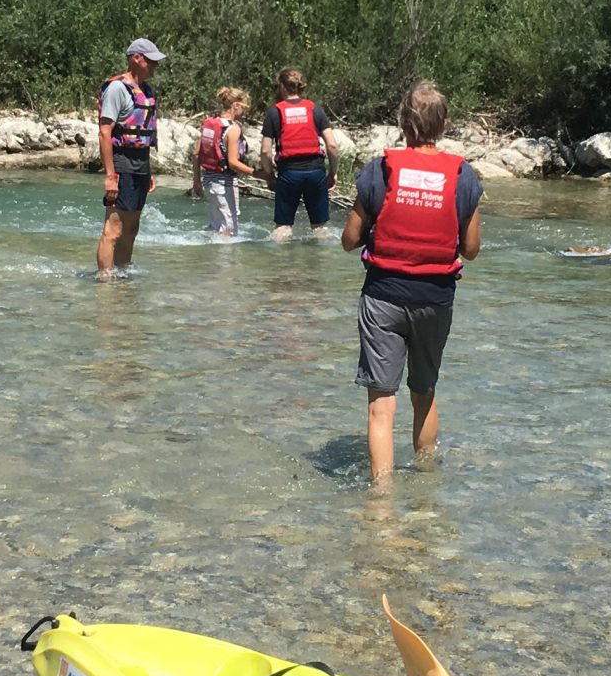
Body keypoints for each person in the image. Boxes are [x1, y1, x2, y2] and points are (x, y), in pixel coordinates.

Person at [342, 80, 482, 484]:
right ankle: (425, 489)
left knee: (381, 405)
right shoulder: (464, 177)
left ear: (403, 123)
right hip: (434, 300)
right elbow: (471, 249)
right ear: (445, 125)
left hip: (383, 297)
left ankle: (381, 497)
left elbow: (349, 240)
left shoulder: (379, 171)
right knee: (424, 391)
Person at [96, 37, 163, 277]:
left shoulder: (145, 90)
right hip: (122, 162)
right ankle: (105, 279)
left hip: (141, 163)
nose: (155, 66)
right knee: (113, 228)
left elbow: (145, 135)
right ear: (136, 58)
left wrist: (149, 171)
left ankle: (123, 273)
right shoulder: (117, 89)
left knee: (131, 227)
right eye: (151, 61)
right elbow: (105, 132)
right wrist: (110, 176)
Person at [262, 68, 337, 240]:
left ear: (282, 86)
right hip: (316, 172)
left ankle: (277, 257)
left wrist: (269, 175)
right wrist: (333, 172)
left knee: (283, 228)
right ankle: (323, 255)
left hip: (289, 174)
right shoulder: (315, 109)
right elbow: (332, 145)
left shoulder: (274, 112)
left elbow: (265, 150)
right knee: (320, 228)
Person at [190, 86, 256, 238]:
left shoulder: (210, 124)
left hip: (209, 180)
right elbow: (233, 162)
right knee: (229, 229)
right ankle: (223, 255)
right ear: (236, 105)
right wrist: (258, 173)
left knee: (216, 226)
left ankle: (209, 252)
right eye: (245, 108)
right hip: (224, 182)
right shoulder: (233, 129)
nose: (245, 112)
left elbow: (196, 154)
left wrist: (196, 182)